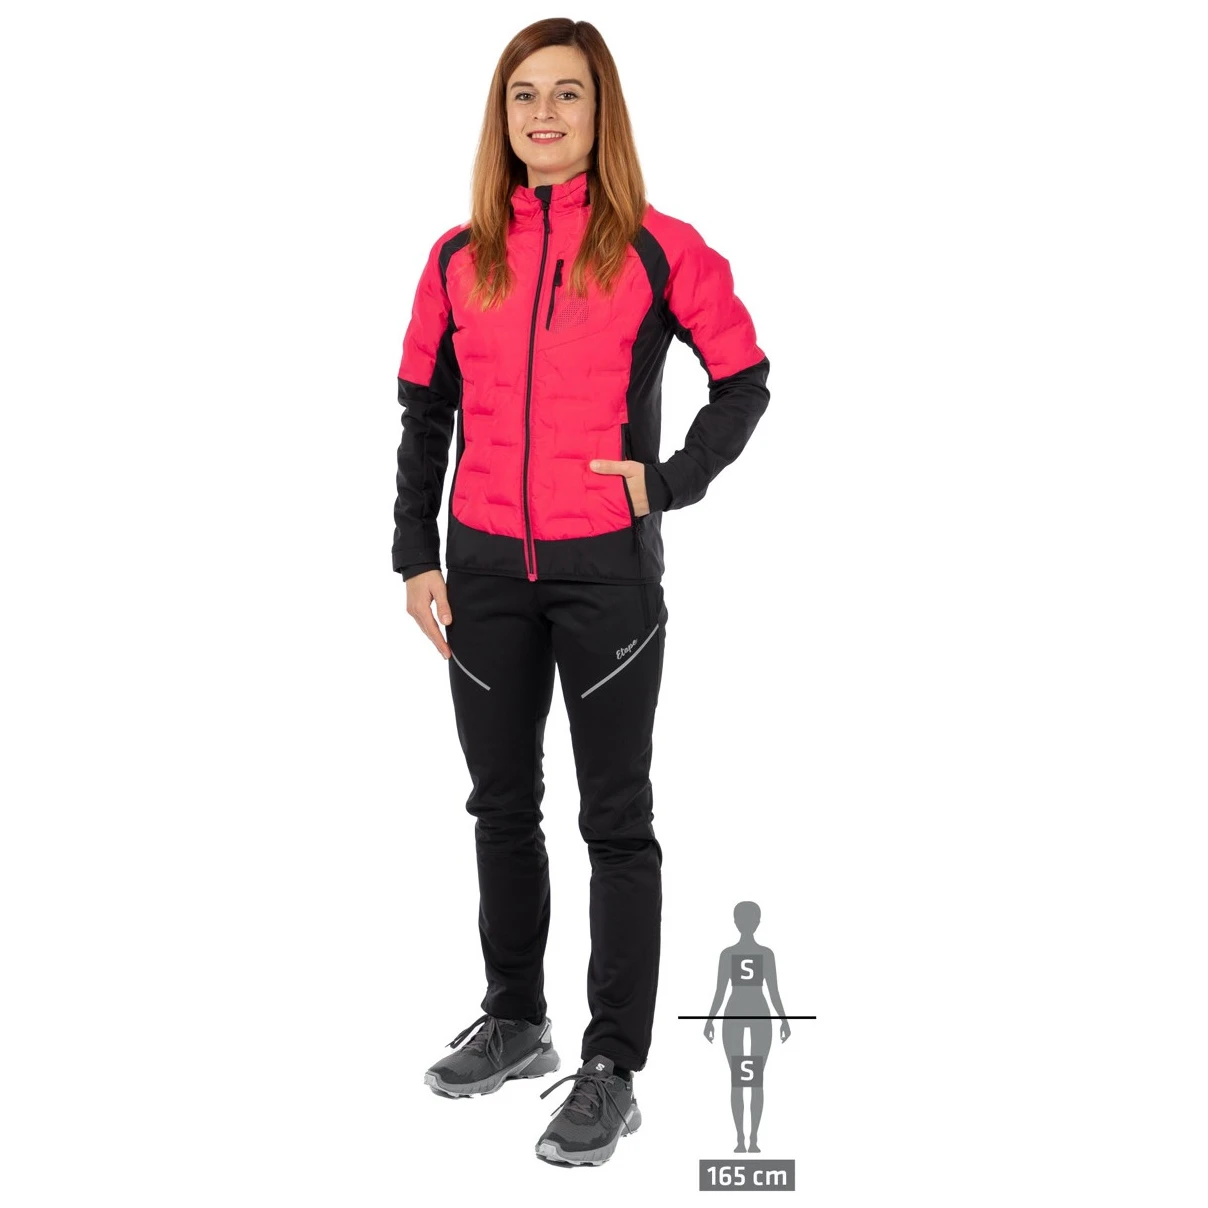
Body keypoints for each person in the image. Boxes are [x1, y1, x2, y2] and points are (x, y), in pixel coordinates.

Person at [394, 18, 771, 1166]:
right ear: (501, 116)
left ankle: (610, 1066)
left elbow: (743, 379)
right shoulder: (458, 256)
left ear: (600, 112)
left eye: (566, 94)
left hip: (607, 574)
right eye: (523, 95)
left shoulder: (658, 247)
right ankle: (516, 1018)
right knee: (499, 804)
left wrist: (669, 481)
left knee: (615, 818)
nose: (543, 115)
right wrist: (414, 555)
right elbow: (424, 412)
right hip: (483, 571)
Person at [703, 902, 792, 1153]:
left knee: (746, 1080)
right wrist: (710, 1020)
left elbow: (722, 991)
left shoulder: (734, 954)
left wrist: (710, 1020)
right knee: (748, 1080)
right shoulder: (757, 954)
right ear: (757, 922)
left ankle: (748, 1140)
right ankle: (745, 1140)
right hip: (752, 1012)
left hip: (743, 1012)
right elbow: (771, 991)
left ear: (737, 922)